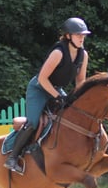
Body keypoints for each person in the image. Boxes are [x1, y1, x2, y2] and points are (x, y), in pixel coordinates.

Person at [5, 17, 91, 172]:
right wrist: (58, 96)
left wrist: (78, 100)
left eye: (83, 35)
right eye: (78, 35)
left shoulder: (83, 55)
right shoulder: (58, 52)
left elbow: (80, 81)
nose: (82, 38)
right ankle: (12, 158)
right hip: (39, 89)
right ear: (68, 36)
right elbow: (42, 78)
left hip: (56, 89)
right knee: (33, 122)